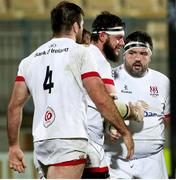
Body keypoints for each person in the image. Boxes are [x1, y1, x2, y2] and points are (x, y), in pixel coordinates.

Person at [7, 2, 134, 179]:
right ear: (76, 26)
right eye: (82, 25)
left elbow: (14, 106)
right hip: (69, 140)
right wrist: (125, 131)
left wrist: (13, 146)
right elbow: (101, 99)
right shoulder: (81, 53)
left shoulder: (29, 60)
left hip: (42, 142)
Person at [81, 12, 147, 179]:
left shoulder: (80, 53)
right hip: (87, 143)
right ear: (103, 36)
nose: (122, 43)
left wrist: (110, 125)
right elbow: (111, 104)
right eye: (118, 38)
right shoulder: (97, 59)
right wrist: (133, 111)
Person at [104, 31, 170, 179]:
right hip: (116, 163)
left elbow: (167, 119)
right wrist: (107, 128)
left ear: (151, 55)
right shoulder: (109, 78)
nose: (138, 58)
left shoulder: (162, 81)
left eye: (143, 53)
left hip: (153, 163)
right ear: (124, 54)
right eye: (132, 53)